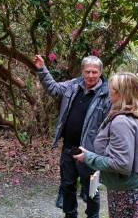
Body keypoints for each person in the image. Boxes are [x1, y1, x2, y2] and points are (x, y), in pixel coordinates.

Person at [33, 55, 111, 218]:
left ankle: (93, 215)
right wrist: (42, 69)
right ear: (82, 71)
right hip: (69, 148)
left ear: (100, 72)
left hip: (91, 151)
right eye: (88, 71)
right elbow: (53, 88)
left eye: (94, 72)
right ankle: (70, 214)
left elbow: (111, 123)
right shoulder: (73, 86)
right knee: (67, 185)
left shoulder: (107, 94)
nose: (91, 75)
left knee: (92, 188)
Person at [73, 72, 138, 218]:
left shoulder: (121, 121)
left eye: (111, 88)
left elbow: (121, 164)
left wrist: (88, 157)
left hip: (128, 193)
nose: (108, 92)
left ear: (120, 93)